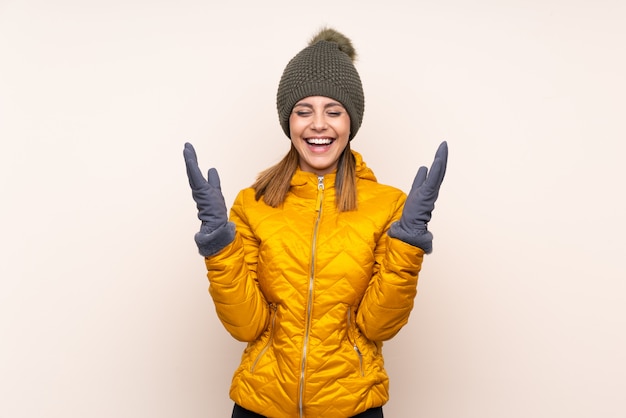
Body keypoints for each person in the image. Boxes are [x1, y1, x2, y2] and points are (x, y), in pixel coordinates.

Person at [184, 27, 448, 418]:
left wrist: (407, 244)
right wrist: (219, 246)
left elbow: (377, 327)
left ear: (351, 121)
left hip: (352, 406)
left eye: (334, 111)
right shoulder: (252, 204)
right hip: (260, 405)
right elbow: (245, 326)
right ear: (288, 122)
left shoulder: (389, 206)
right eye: (303, 111)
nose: (318, 125)